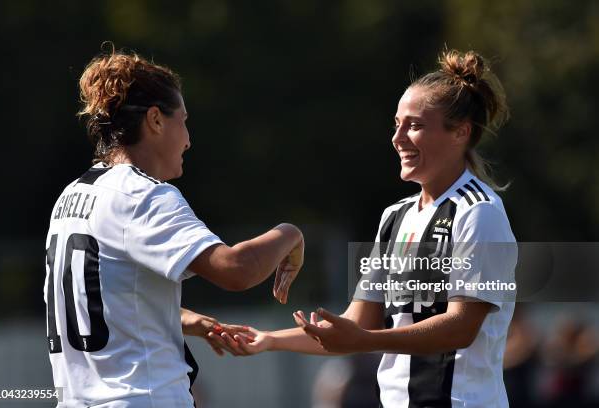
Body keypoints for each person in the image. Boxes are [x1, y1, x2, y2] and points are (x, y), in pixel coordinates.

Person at [214, 49, 518, 408]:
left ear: (460, 133)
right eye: (396, 124)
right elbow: (355, 325)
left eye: (415, 125)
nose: (397, 137)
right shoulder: (396, 217)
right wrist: (269, 340)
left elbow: (461, 328)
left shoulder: (480, 213)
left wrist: (365, 340)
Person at [44, 45, 304, 408]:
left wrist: (183, 319)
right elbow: (236, 271)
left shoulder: (70, 197)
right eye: (183, 120)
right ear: (155, 120)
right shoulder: (144, 194)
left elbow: (99, 300)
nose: (188, 139)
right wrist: (290, 233)